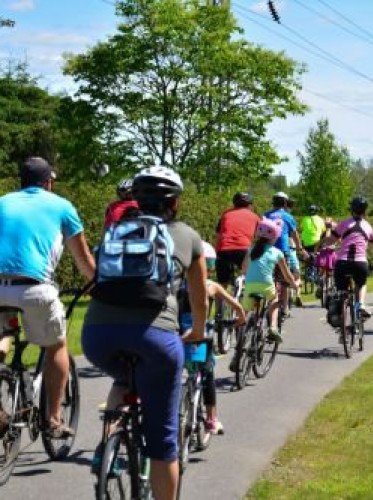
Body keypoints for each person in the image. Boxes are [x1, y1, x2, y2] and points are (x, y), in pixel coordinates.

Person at [82, 166, 207, 500]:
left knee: (124, 378)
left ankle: (111, 437)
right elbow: (199, 298)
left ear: (135, 199)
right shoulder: (189, 236)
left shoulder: (115, 231)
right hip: (156, 338)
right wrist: (196, 330)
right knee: (163, 440)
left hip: (97, 336)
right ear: (175, 203)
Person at [0, 157, 95, 438]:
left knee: (4, 333)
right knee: (57, 346)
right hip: (34, 288)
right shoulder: (62, 206)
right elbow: (83, 259)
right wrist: (99, 284)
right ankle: (53, 420)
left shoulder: (3, 201)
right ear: (48, 182)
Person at [199, 241, 245, 438]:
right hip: (200, 339)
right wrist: (240, 319)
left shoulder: (173, 285)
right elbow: (237, 307)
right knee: (207, 374)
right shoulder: (211, 286)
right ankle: (211, 418)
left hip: (177, 337)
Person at [240, 218, 299, 344]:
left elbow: (244, 268)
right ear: (274, 237)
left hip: (250, 285)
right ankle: (273, 327)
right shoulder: (277, 252)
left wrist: (247, 275)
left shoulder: (251, 250)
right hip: (267, 285)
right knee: (275, 301)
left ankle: (240, 334)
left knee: (245, 311)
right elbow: (287, 275)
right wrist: (294, 285)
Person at [329, 196, 373, 318]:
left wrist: (321, 243)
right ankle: (361, 304)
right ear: (365, 210)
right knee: (361, 284)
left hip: (342, 263)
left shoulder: (344, 223)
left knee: (341, 289)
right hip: (360, 263)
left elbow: (330, 240)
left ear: (352, 209)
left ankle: (340, 312)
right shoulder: (368, 226)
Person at [215, 191, 260, 312]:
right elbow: (259, 238)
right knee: (250, 278)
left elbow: (218, 236)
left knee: (221, 284)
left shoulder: (225, 214)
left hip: (223, 250)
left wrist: (217, 252)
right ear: (250, 205)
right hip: (243, 249)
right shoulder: (255, 217)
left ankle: (218, 313)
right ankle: (246, 309)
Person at [264, 192, 307, 315]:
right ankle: (284, 308)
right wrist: (299, 248)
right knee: (285, 281)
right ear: (285, 203)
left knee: (268, 278)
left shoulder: (266, 215)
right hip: (282, 251)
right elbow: (294, 234)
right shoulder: (287, 216)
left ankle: (268, 304)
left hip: (266, 250)